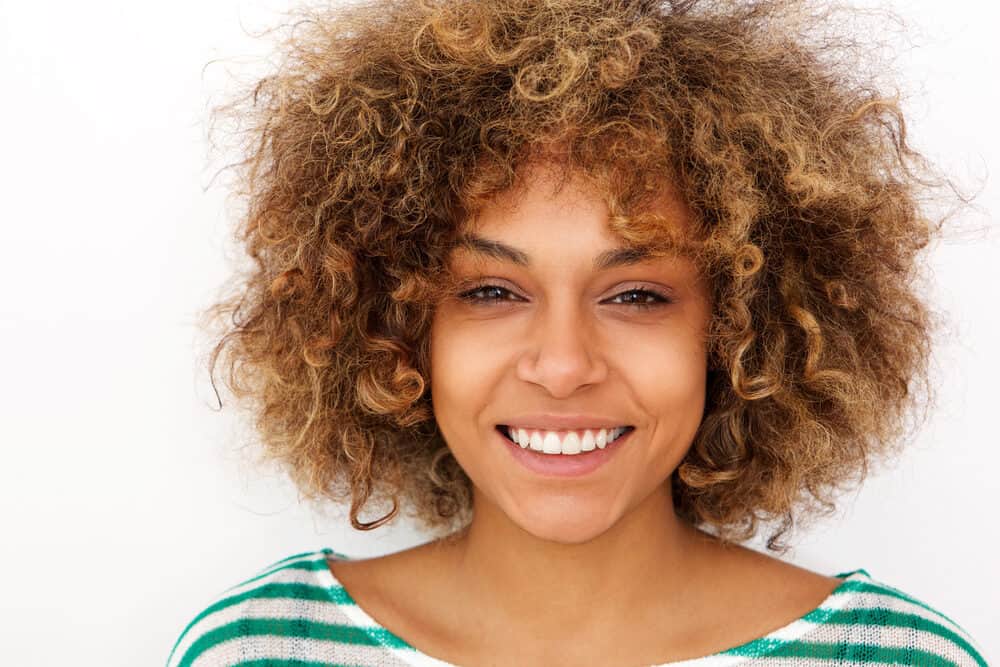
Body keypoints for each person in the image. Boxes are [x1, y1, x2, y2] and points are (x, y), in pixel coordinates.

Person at [168, 0, 989, 664]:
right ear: (396, 327)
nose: (562, 366)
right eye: (492, 289)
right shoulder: (260, 649)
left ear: (740, 327)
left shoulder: (896, 657)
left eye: (635, 295)